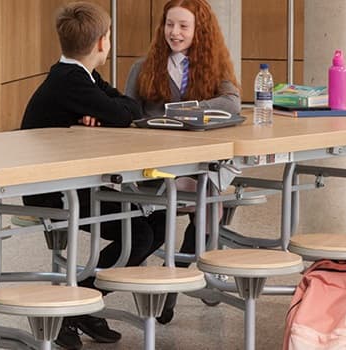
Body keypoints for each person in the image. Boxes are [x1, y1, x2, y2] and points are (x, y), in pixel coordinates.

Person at [21, 2, 166, 349]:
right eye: (111, 37)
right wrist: (107, 112)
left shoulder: (81, 76)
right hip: (54, 193)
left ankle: (82, 303)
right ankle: (79, 303)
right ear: (102, 43)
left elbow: (126, 106)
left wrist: (104, 112)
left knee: (156, 223)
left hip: (77, 185)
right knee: (144, 234)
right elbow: (122, 111)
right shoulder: (70, 81)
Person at [124, 0, 241, 324]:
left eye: (183, 26)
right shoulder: (143, 67)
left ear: (198, 30)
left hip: (195, 166)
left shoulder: (213, 67)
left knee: (210, 195)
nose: (174, 32)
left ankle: (175, 274)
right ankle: (174, 281)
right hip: (154, 168)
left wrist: (187, 110)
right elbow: (127, 114)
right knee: (205, 195)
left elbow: (231, 103)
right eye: (170, 25)